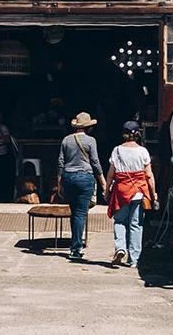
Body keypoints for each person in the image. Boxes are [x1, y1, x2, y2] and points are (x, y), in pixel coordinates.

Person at [105, 120, 157, 268]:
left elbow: (110, 174)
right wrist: (154, 194)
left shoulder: (117, 150)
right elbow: (149, 176)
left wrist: (107, 190)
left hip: (121, 191)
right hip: (139, 191)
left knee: (120, 221)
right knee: (136, 225)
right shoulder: (143, 151)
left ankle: (120, 248)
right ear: (138, 134)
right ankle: (133, 259)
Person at [56, 111, 106, 261]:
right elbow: (95, 162)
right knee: (80, 213)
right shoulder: (91, 141)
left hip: (69, 177)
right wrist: (103, 181)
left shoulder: (66, 140)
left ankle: (75, 243)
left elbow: (60, 162)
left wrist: (59, 182)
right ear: (88, 127)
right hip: (85, 177)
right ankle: (76, 248)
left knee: (74, 211)